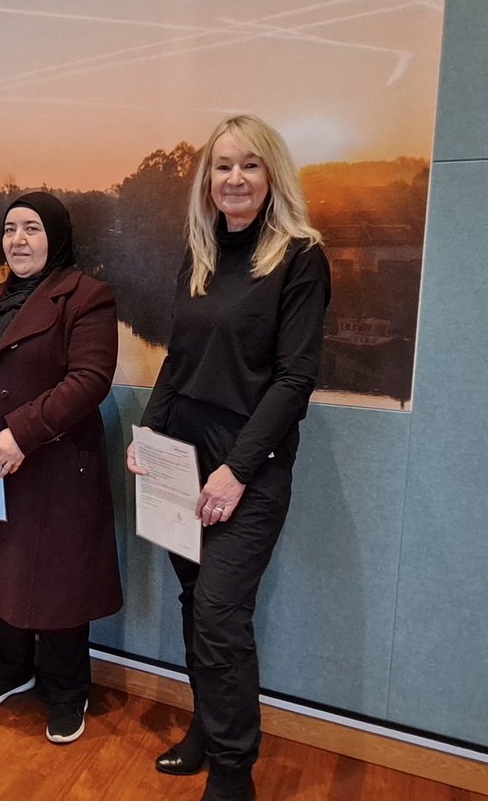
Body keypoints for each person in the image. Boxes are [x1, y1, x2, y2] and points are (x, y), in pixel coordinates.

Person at [127, 115, 330, 801]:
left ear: (272, 175)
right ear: (207, 179)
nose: (234, 178)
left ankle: (234, 772)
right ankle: (209, 730)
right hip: (181, 457)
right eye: (222, 166)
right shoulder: (201, 253)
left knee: (219, 613)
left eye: (249, 165)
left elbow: (295, 380)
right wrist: (148, 437)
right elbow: (177, 362)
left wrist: (237, 471)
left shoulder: (301, 258)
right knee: (195, 603)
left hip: (249, 465)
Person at [0, 192, 122, 745]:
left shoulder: (87, 296)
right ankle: (12, 667)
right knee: (3, 569)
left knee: (58, 582)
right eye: (10, 229)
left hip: (54, 462)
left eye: (32, 229)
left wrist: (22, 433)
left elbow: (89, 380)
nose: (18, 240)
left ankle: (67, 689)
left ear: (56, 236)